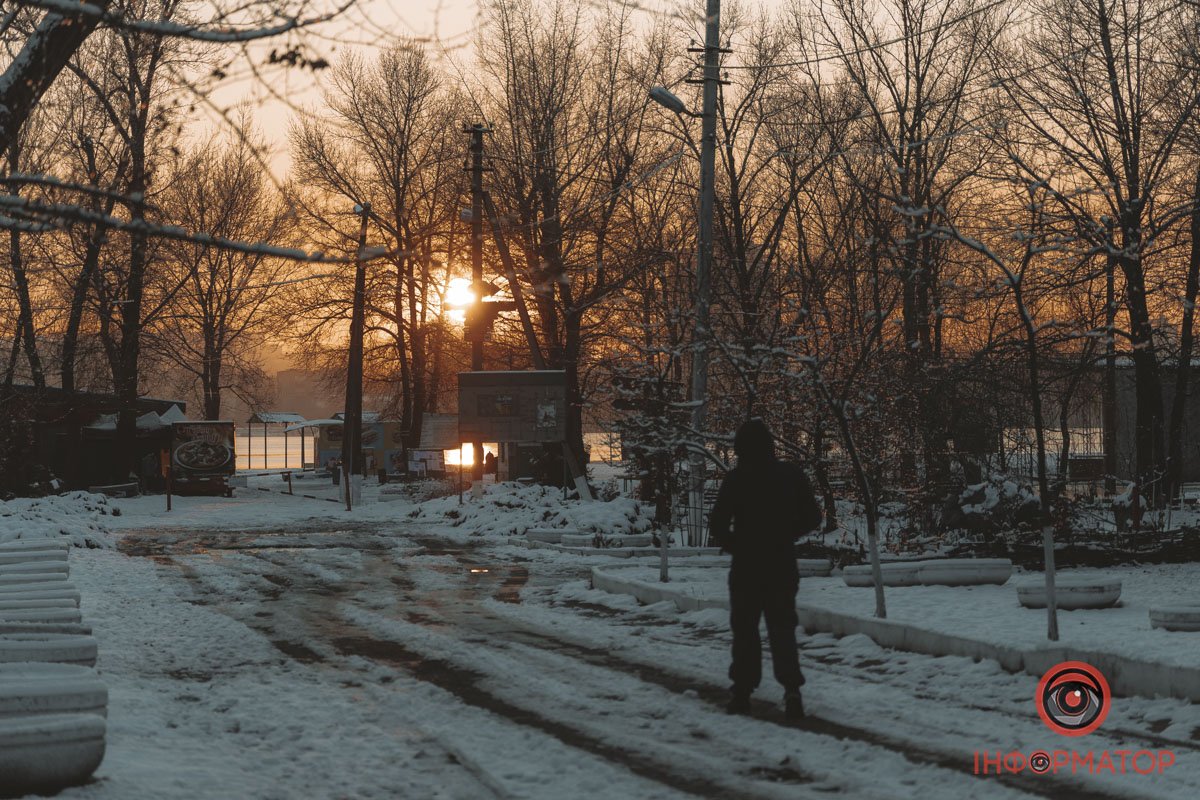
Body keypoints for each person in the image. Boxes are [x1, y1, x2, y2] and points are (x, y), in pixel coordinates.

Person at [708, 419, 822, 720]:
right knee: (782, 627)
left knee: (745, 630)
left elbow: (717, 523)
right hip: (782, 563)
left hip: (746, 566)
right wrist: (787, 533)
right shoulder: (790, 475)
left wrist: (735, 543)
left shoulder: (737, 479)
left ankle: (742, 693)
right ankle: (792, 690)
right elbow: (813, 516)